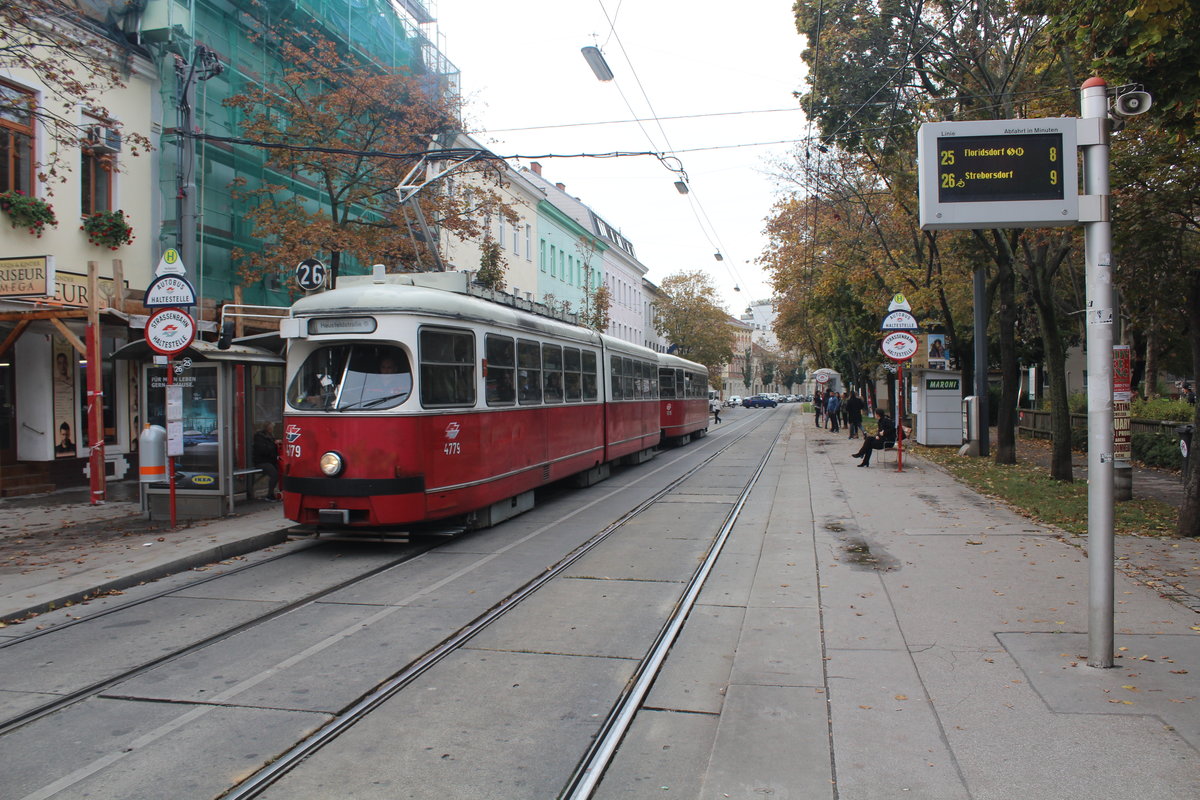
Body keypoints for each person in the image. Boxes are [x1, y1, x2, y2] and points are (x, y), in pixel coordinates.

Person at [252, 422, 280, 500]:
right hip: (261, 461)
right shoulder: (259, 437)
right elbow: (263, 450)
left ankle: (278, 492)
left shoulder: (270, 436)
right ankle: (270, 495)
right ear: (267, 428)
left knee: (280, 471)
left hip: (270, 461)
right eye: (271, 427)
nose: (272, 429)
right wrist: (274, 445)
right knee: (274, 474)